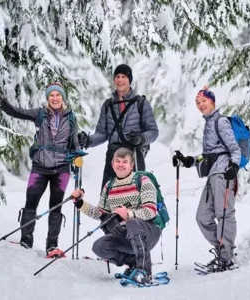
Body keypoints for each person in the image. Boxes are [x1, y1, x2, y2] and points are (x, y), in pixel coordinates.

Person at [0, 82, 80, 256]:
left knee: (55, 207)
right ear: (48, 98)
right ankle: (26, 241)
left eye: (58, 95)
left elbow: (74, 143)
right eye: (52, 95)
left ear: (63, 98)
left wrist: (78, 155)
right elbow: (17, 112)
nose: (55, 98)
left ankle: (52, 245)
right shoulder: (40, 114)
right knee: (31, 203)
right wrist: (2, 102)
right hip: (40, 167)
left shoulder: (71, 117)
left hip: (61, 169)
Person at [172, 86, 241, 272]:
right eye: (198, 102)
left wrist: (233, 167)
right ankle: (223, 251)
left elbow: (235, 149)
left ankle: (227, 258)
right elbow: (208, 155)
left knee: (224, 214)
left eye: (204, 100)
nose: (201, 104)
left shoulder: (220, 122)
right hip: (212, 175)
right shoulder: (209, 123)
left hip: (223, 174)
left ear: (212, 101)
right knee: (202, 217)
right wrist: (189, 160)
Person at [71, 147, 161, 284]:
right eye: (117, 161)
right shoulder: (109, 185)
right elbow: (100, 214)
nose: (120, 164)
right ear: (112, 164)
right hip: (125, 235)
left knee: (132, 222)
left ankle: (144, 271)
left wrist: (129, 214)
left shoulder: (143, 181)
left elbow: (151, 210)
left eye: (125, 161)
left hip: (148, 232)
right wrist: (80, 203)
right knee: (99, 246)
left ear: (132, 165)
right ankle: (133, 264)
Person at [78, 64, 159, 189]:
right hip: (113, 157)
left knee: (133, 199)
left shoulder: (141, 103)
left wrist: (140, 138)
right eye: (117, 76)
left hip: (133, 157)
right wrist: (89, 140)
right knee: (107, 198)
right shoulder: (108, 105)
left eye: (123, 77)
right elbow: (102, 133)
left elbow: (153, 132)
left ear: (129, 80)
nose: (120, 80)